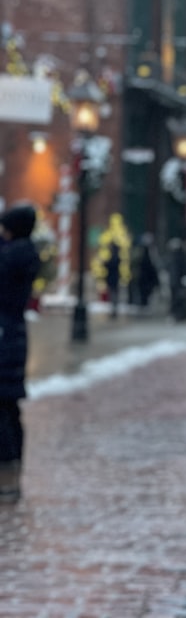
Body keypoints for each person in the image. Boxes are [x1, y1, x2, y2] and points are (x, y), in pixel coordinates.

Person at [0, 204, 42, 504]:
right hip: (13, 338)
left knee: (2, 410)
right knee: (10, 408)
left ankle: (6, 477)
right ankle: (12, 475)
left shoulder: (11, 258)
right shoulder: (23, 255)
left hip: (5, 340)